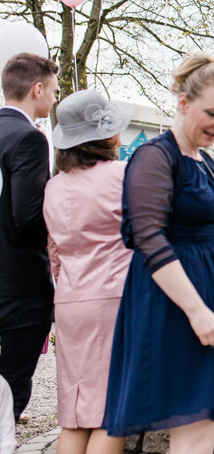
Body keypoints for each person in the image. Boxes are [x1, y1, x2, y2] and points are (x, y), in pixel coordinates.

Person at [102, 53, 214, 453]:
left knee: (206, 423)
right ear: (183, 103)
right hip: (176, 304)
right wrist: (197, 311)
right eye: (213, 113)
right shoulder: (155, 157)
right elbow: (148, 238)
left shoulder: (201, 160)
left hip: (213, 295)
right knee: (193, 422)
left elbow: (206, 235)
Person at [43, 90, 134, 454]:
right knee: (112, 411)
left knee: (76, 413)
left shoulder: (53, 187)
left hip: (69, 302)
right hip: (114, 297)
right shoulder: (124, 175)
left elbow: (54, 255)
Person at [0, 52, 59, 422]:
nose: (54, 97)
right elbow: (27, 216)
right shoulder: (29, 139)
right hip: (18, 284)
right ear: (37, 89)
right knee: (12, 386)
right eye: (53, 90)